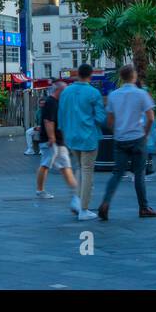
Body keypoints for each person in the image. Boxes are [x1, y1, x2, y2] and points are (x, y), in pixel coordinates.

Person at [97, 64, 156, 221]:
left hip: (120, 139)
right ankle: (143, 207)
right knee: (139, 174)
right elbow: (151, 117)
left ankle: (105, 202)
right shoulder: (141, 94)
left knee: (117, 173)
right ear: (134, 76)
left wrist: (117, 131)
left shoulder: (113, 95)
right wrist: (145, 134)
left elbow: (110, 121)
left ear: (121, 77)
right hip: (137, 137)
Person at [58, 64, 107, 219]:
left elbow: (61, 114)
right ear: (90, 75)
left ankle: (77, 200)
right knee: (87, 171)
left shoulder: (66, 92)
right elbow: (101, 117)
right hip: (88, 137)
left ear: (77, 74)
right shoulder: (93, 93)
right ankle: (84, 209)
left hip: (71, 136)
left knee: (80, 168)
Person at [34, 80, 78, 209]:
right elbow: (48, 121)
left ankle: (75, 190)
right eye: (64, 90)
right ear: (59, 90)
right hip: (51, 141)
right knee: (46, 164)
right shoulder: (51, 102)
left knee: (64, 165)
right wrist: (52, 137)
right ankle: (40, 190)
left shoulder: (55, 102)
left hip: (57, 141)